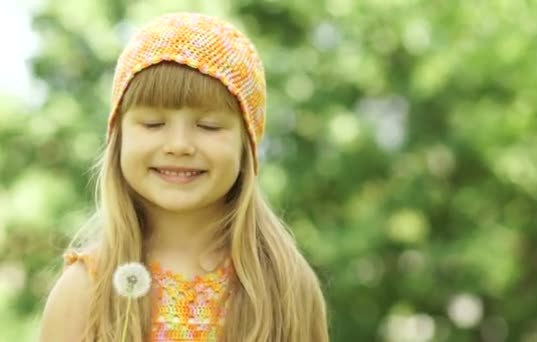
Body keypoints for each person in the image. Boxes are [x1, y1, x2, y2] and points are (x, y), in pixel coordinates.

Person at [39, 12, 329, 342]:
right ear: (118, 138)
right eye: (152, 124)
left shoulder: (284, 286)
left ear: (246, 146)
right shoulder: (86, 289)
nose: (178, 145)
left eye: (208, 126)